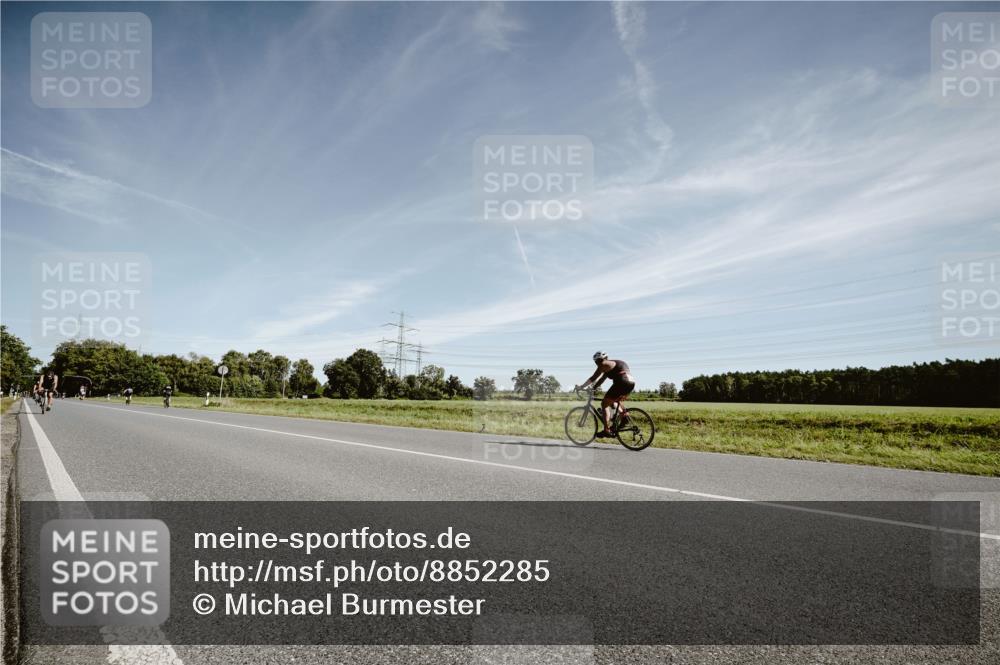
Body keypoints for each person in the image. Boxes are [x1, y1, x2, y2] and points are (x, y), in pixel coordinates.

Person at [575, 352, 635, 439]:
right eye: (597, 361)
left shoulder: (603, 364)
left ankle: (607, 430)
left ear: (603, 359)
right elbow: (601, 380)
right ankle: (624, 416)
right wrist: (593, 388)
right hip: (631, 382)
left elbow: (593, 377)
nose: (598, 363)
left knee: (604, 404)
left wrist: (581, 387)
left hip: (622, 381)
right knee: (612, 400)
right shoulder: (611, 365)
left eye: (598, 361)